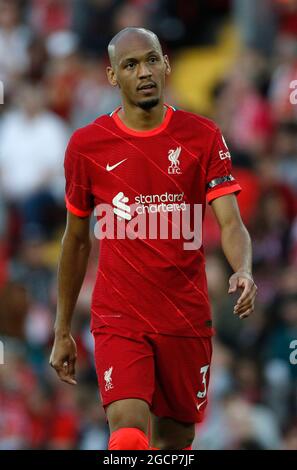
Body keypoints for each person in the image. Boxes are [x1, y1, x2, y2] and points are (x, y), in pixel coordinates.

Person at [49, 27, 257, 451]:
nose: (143, 72)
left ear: (166, 65)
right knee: (127, 433)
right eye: (130, 65)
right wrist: (62, 329)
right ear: (112, 76)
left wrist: (245, 269)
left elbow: (231, 223)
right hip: (119, 316)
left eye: (150, 60)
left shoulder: (202, 136)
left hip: (185, 317)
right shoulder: (87, 146)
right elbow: (76, 242)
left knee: (175, 441)